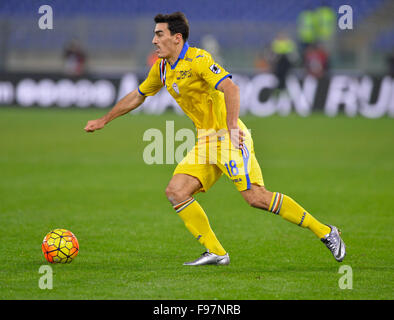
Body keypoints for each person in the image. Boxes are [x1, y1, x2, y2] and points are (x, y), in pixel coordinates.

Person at [84, 12, 346, 266]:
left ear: (177, 38)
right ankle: (216, 253)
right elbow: (138, 95)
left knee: (256, 197)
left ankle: (325, 231)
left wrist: (232, 126)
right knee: (176, 192)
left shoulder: (199, 59)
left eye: (159, 34)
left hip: (227, 137)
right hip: (206, 141)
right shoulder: (163, 68)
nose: (154, 40)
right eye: (154, 35)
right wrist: (104, 120)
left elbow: (230, 87)